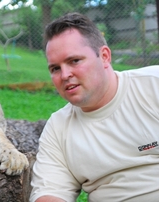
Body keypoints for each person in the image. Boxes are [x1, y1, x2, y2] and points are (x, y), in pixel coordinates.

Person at [30, 12, 159, 202]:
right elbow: (50, 192)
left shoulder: (153, 85)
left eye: (74, 61)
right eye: (55, 68)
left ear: (104, 56)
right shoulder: (58, 128)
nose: (65, 75)